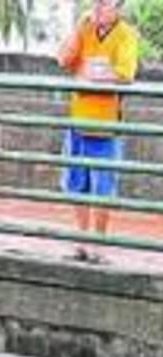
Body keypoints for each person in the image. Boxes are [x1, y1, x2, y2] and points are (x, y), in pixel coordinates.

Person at [58, 0, 139, 262]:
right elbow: (63, 59)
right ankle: (81, 242)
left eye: (104, 4)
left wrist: (95, 74)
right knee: (77, 184)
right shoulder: (85, 29)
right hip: (78, 119)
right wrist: (77, 27)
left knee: (103, 187)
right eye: (96, 3)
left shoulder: (126, 34)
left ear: (117, 7)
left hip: (106, 124)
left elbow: (126, 73)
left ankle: (99, 245)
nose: (98, 8)